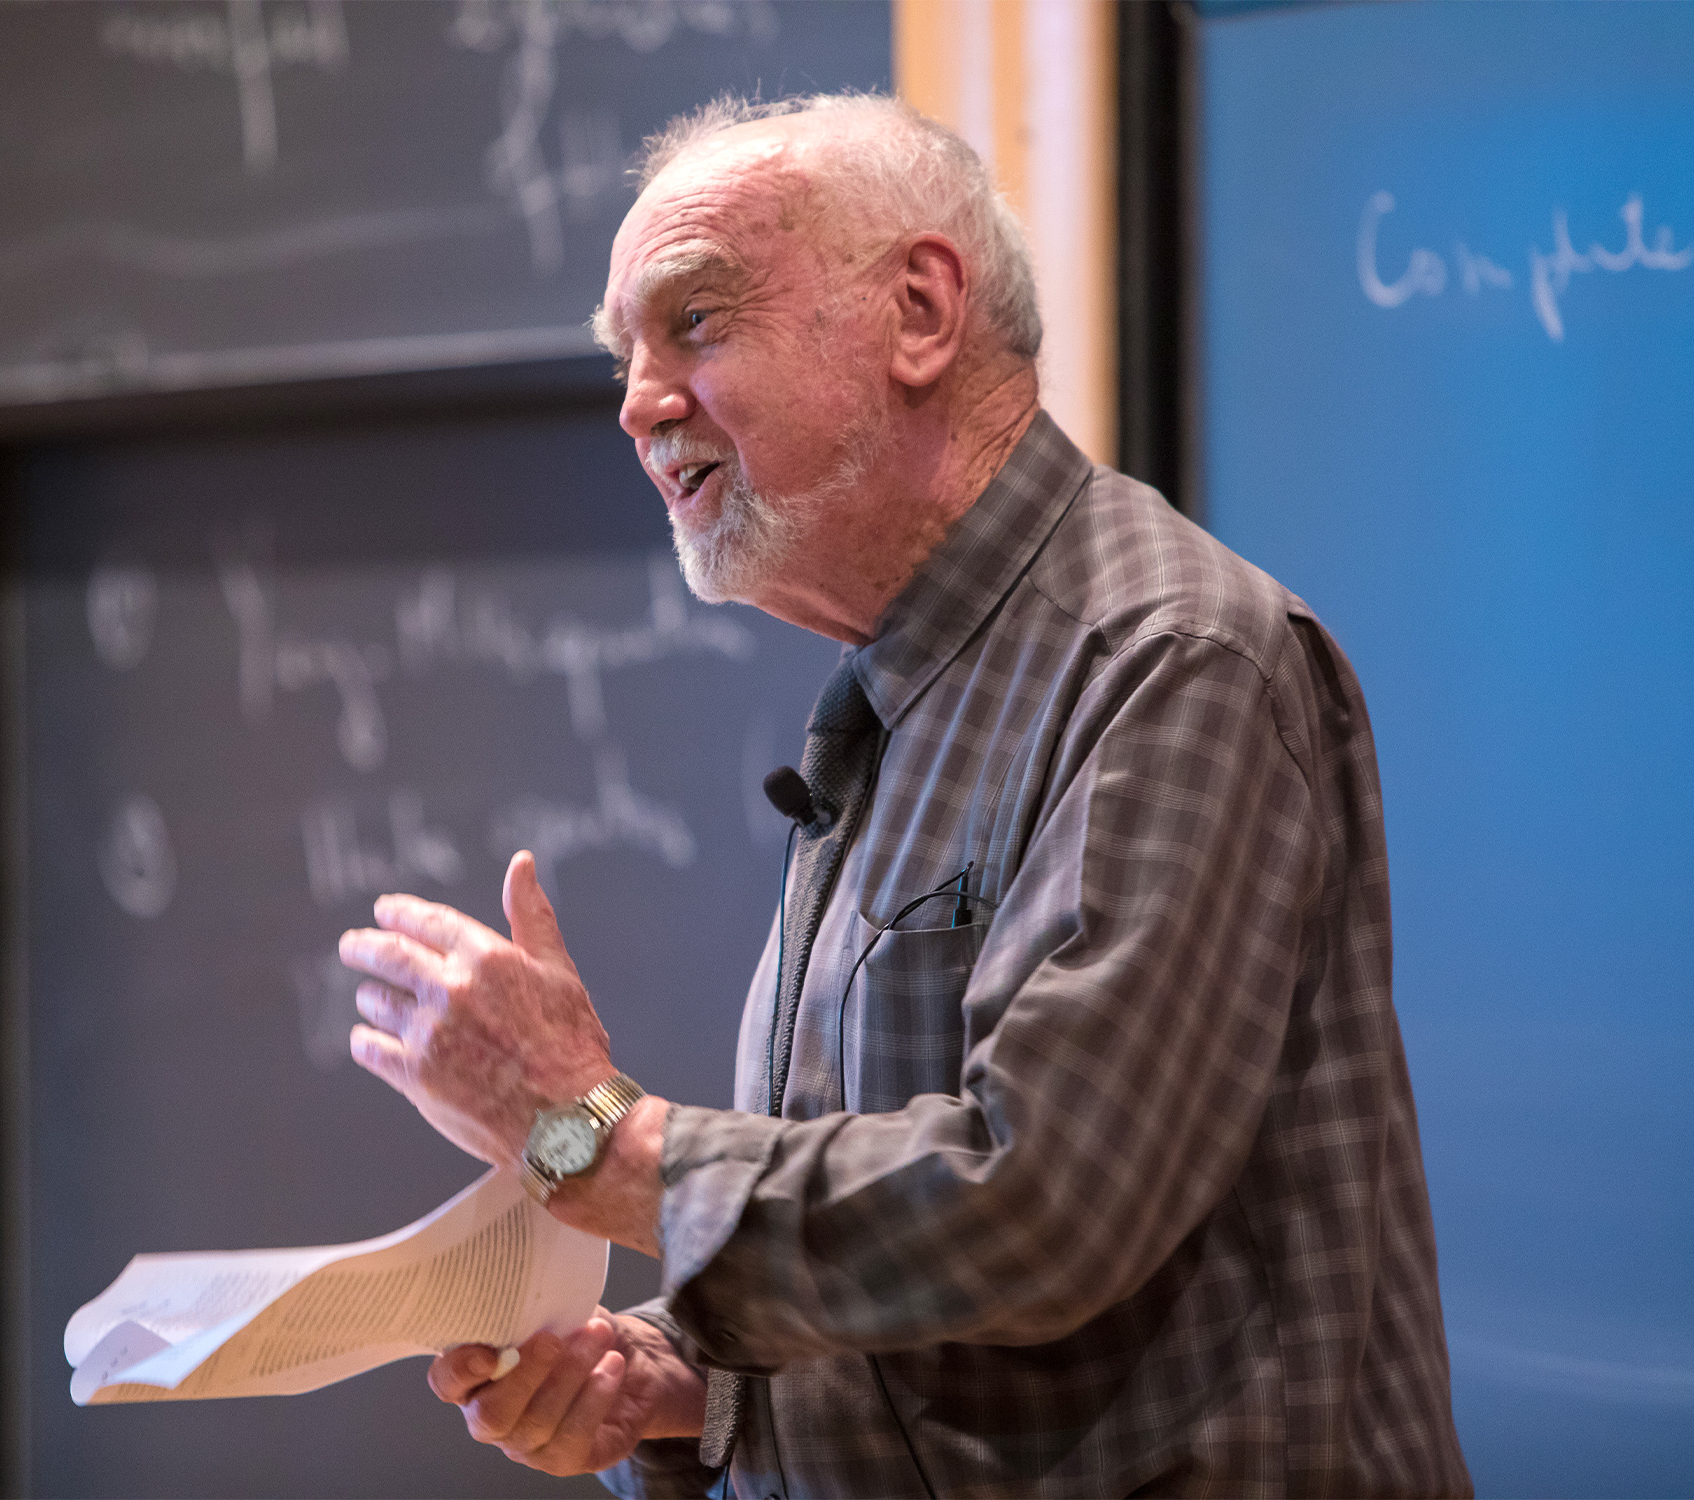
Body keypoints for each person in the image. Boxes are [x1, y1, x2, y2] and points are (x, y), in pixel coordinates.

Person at [337, 94, 1470, 1498]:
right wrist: (685, 1387)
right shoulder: (902, 698)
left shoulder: (1169, 660)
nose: (637, 402)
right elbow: (932, 1305)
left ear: (920, 313)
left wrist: (586, 1135)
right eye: (623, 356)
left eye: (695, 322)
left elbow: (1037, 1207)